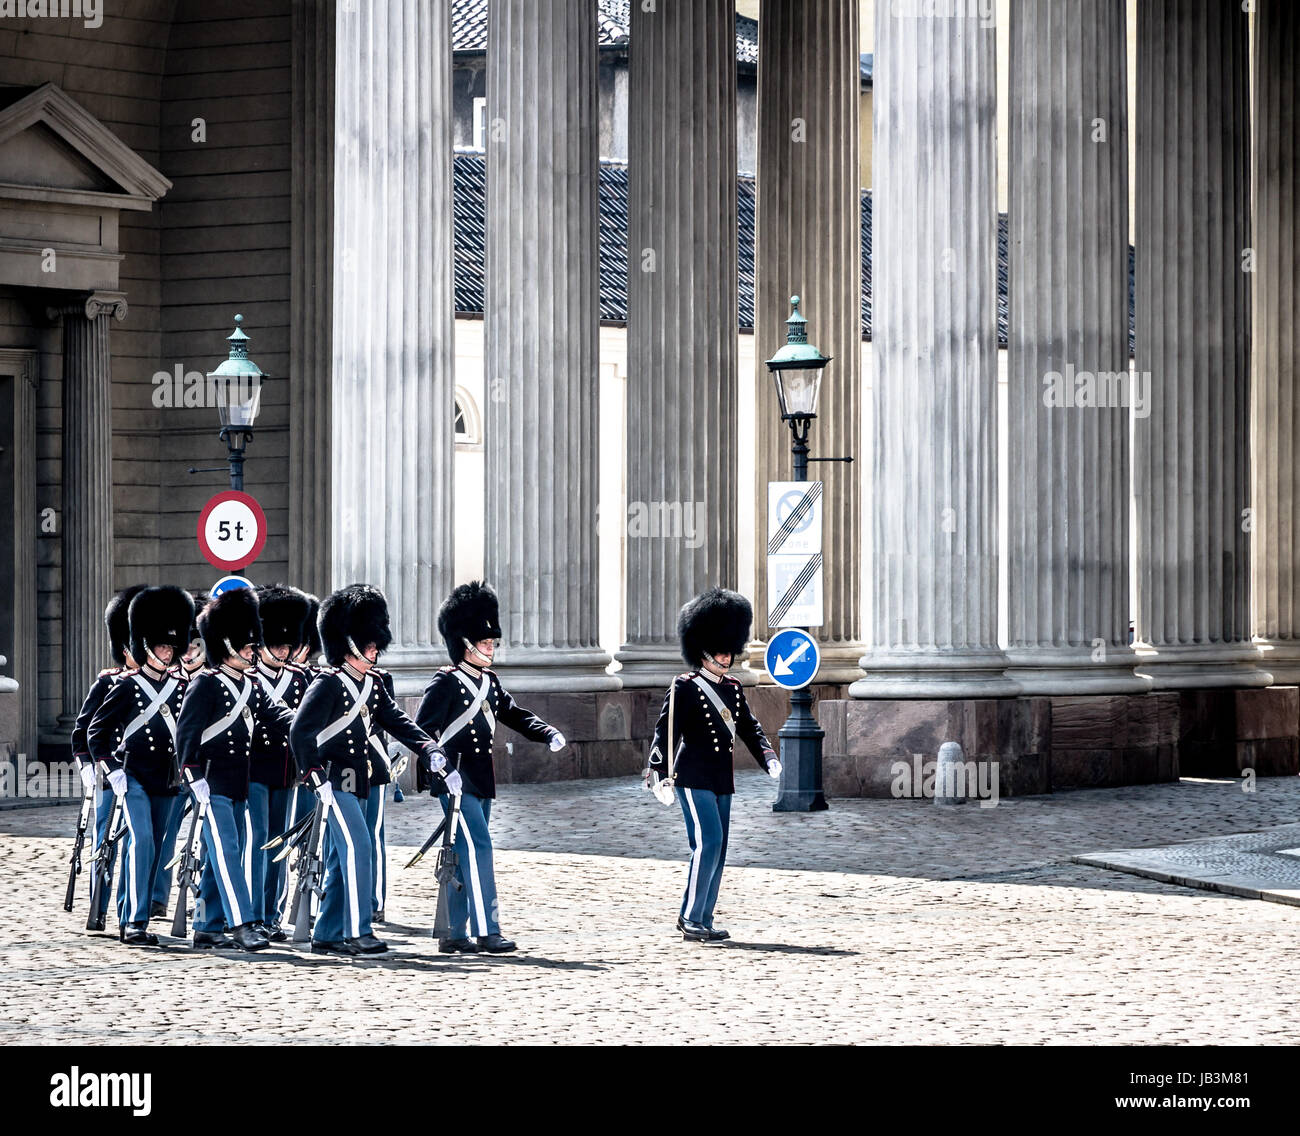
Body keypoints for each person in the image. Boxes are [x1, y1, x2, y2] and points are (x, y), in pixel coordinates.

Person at [290, 584, 456, 958]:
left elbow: (395, 720)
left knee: (340, 857)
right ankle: (358, 930)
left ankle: (328, 933)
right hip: (332, 782)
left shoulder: (373, 684)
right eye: (369, 643)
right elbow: (300, 732)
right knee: (358, 847)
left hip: (360, 781)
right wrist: (315, 778)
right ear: (348, 641)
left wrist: (428, 747)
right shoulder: (328, 683)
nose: (375, 650)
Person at [415, 581, 566, 955]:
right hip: (455, 780)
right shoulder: (446, 682)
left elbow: (513, 714)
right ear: (465, 644)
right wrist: (438, 771)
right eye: (485, 643)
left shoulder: (491, 682)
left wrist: (546, 732)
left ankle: (454, 931)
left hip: (481, 777)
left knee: (463, 850)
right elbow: (423, 729)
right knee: (479, 846)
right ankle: (487, 929)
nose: (491, 648)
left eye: (492, 643)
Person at [645, 588, 781, 943]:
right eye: (720, 649)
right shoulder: (685, 687)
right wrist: (658, 775)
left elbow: (749, 728)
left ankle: (703, 916)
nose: (726, 655)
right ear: (703, 650)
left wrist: (768, 757)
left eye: (729, 648)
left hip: (722, 778)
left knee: (718, 848)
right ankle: (690, 916)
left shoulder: (734, 688)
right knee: (708, 842)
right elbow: (666, 732)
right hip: (692, 776)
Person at [175, 587, 296, 951]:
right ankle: (242, 924)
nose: (252, 652)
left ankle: (207, 925)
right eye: (247, 648)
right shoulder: (206, 683)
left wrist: (304, 725)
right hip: (210, 783)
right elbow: (186, 733)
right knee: (229, 851)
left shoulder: (252, 686)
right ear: (228, 645)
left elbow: (275, 717)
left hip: (238, 782)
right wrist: (192, 777)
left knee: (220, 854)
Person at [86, 586, 194, 945]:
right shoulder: (127, 686)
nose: (167, 651)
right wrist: (110, 768)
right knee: (142, 841)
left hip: (167, 778)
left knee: (158, 845)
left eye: (170, 646)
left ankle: (141, 916)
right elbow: (97, 732)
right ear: (145, 645)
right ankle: (132, 921)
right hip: (132, 776)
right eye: (161, 645)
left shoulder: (181, 687)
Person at [71, 583, 145, 924]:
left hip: (141, 773)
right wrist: (87, 766)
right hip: (108, 771)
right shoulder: (108, 682)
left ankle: (129, 907)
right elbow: (83, 729)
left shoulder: (159, 684)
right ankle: (97, 907)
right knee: (104, 842)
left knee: (135, 843)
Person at [245, 584, 313, 940]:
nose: (284, 651)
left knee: (280, 841)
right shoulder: (249, 678)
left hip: (287, 770)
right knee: (257, 841)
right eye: (277, 644)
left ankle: (271, 913)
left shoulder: (301, 679)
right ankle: (252, 913)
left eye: (288, 645)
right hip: (254, 767)